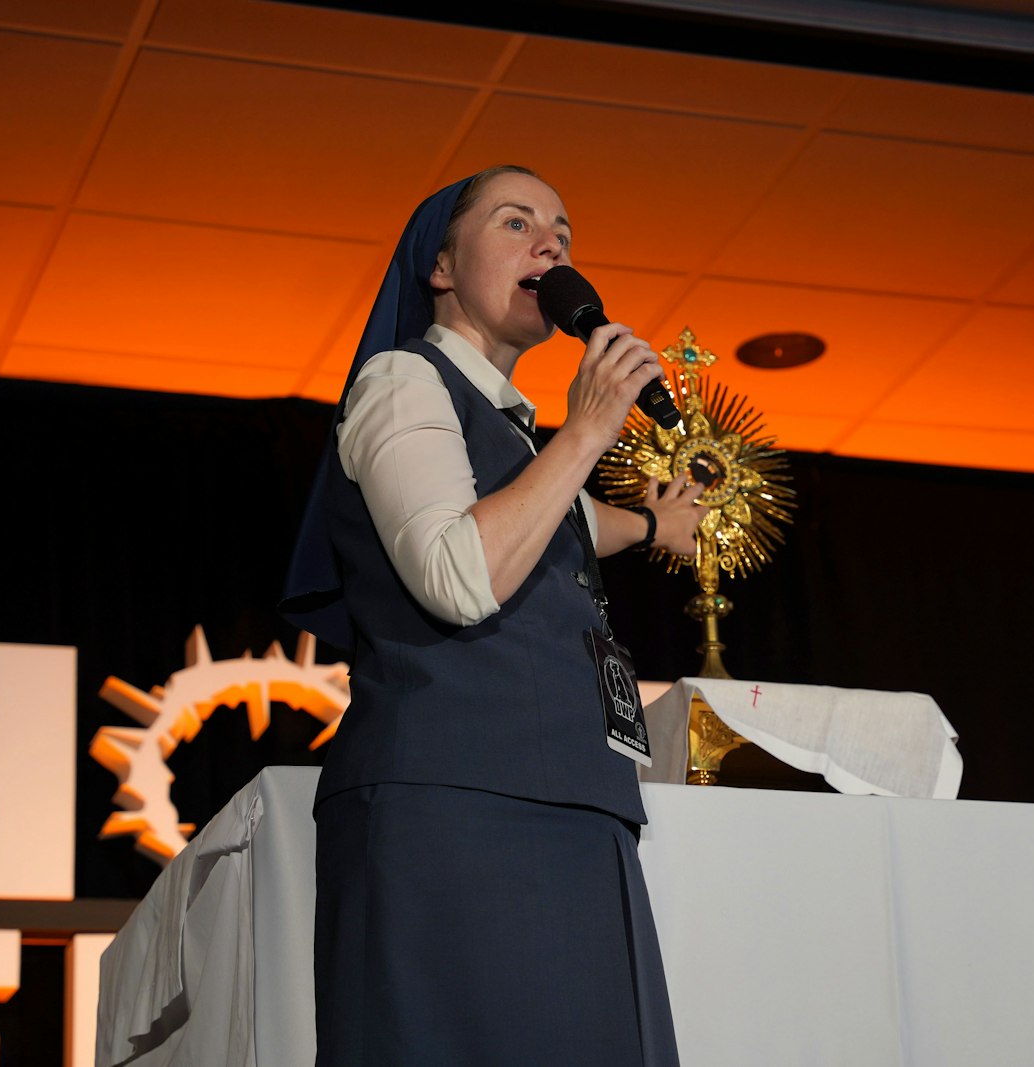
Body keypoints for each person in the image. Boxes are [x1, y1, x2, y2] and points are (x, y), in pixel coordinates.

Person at [282, 165, 705, 1066]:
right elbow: (457, 571)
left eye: (562, 230)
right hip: (456, 808)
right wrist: (586, 432)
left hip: (575, 811)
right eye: (516, 223)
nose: (549, 245)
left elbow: (573, 523)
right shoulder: (402, 380)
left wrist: (658, 524)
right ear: (440, 265)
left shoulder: (513, 435)